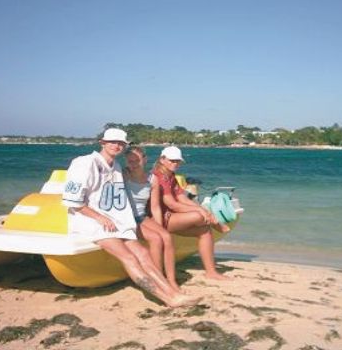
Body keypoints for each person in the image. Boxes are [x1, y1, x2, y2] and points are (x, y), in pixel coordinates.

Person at [62, 129, 198, 307]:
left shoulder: (117, 168)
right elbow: (72, 201)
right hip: (92, 222)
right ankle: (168, 299)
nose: (117, 145)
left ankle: (173, 293)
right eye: (112, 142)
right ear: (102, 142)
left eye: (121, 143)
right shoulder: (85, 163)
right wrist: (100, 218)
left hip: (115, 222)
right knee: (129, 258)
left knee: (144, 254)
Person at [152, 146, 231, 281]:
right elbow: (171, 204)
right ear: (162, 160)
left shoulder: (170, 176)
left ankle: (211, 272)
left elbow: (182, 198)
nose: (175, 164)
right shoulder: (159, 176)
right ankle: (216, 223)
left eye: (178, 161)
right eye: (172, 160)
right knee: (199, 216)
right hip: (159, 219)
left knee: (204, 230)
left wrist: (203, 209)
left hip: (170, 216)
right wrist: (200, 211)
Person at [123, 146, 179, 292]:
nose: (133, 164)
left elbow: (155, 207)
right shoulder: (123, 175)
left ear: (145, 160)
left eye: (137, 160)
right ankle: (159, 280)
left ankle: (171, 280)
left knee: (166, 236)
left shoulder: (152, 179)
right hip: (127, 218)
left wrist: (160, 227)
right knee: (156, 238)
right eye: (130, 161)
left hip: (142, 217)